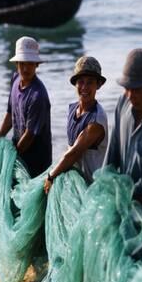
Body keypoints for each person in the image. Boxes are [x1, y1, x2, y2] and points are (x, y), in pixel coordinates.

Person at [104, 49, 142, 232]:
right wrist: (104, 187)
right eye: (127, 88)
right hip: (121, 206)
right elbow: (111, 155)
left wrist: (117, 201)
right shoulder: (123, 102)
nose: (130, 95)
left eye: (136, 90)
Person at [44, 57, 108, 194]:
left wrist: (51, 176)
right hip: (75, 181)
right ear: (75, 84)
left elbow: (74, 153)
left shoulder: (97, 119)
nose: (84, 87)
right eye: (81, 82)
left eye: (90, 82)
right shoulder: (73, 108)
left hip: (91, 186)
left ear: (98, 85)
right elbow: (69, 148)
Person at [0, 36, 52, 178]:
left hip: (37, 163)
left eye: (30, 64)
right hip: (20, 153)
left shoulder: (37, 96)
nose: (25, 68)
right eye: (22, 64)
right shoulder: (15, 79)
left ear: (36, 65)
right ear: (16, 64)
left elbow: (30, 134)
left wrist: (12, 159)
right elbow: (10, 113)